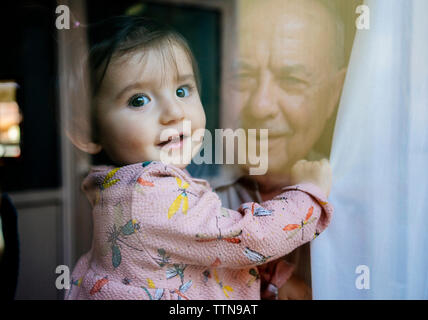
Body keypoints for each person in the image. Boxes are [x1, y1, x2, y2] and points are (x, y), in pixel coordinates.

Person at [65, 15, 332, 300]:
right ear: (86, 132)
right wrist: (308, 196)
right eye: (139, 100)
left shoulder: (118, 188)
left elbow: (191, 264)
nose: (174, 113)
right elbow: (252, 238)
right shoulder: (148, 195)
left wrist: (263, 282)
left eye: (182, 91)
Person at [213, 0, 347, 299]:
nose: (261, 106)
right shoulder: (177, 196)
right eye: (241, 77)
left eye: (292, 80)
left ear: (334, 93)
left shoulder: (364, 205)